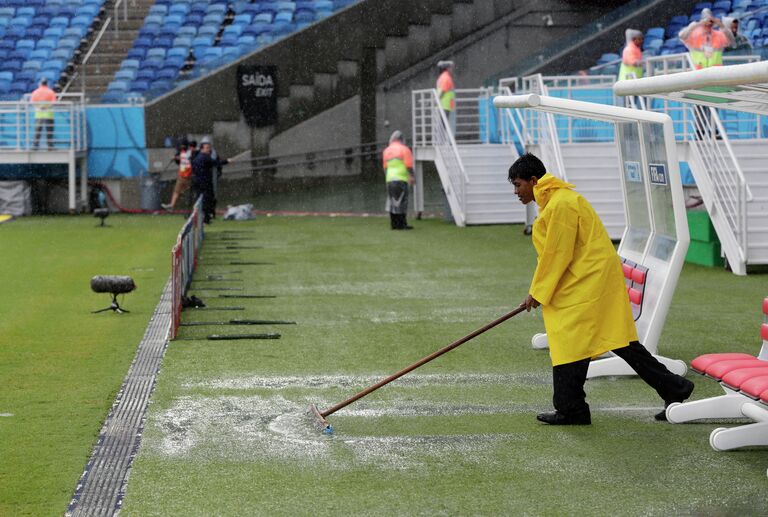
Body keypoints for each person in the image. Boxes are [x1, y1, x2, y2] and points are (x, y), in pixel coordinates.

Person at [508, 153, 694, 425]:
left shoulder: (560, 205)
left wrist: (537, 293)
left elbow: (557, 254)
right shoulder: (556, 202)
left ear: (534, 180)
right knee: (612, 342)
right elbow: (554, 255)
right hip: (586, 282)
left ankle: (572, 409)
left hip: (588, 285)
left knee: (571, 342)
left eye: (518, 184)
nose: (516, 192)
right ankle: (673, 387)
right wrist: (539, 290)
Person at [381, 130, 414, 230]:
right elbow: (408, 165)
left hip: (390, 179)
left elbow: (385, 167)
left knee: (392, 202)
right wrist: (411, 176)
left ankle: (394, 224)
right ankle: (402, 224)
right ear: (401, 139)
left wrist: (388, 177)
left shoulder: (386, 151)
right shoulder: (405, 149)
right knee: (402, 202)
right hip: (401, 178)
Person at [191, 139, 228, 223]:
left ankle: (203, 217)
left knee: (201, 200)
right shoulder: (204, 157)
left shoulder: (198, 157)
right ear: (202, 149)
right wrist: (227, 161)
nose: (209, 149)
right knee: (207, 200)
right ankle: (206, 218)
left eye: (209, 148)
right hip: (204, 182)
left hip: (198, 181)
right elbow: (215, 163)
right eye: (207, 148)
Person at [162, 139, 193, 211]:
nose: (182, 147)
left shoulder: (190, 153)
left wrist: (176, 157)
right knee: (176, 191)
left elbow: (185, 158)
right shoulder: (182, 152)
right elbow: (180, 159)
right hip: (181, 175)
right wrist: (175, 158)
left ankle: (189, 207)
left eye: (183, 145)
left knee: (186, 192)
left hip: (189, 176)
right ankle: (172, 205)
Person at [30, 78, 57, 149]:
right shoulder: (50, 92)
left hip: (39, 114)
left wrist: (40, 107)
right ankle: (50, 146)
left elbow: (32, 102)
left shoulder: (35, 92)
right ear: (47, 84)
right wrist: (46, 107)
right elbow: (53, 102)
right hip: (49, 114)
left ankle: (35, 146)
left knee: (37, 130)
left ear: (40, 84)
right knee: (49, 131)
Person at [436, 60, 456, 133]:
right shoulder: (446, 78)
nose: (452, 70)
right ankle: (444, 142)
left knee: (442, 125)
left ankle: (443, 141)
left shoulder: (442, 77)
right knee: (444, 125)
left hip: (444, 105)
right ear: (447, 68)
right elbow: (443, 91)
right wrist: (436, 100)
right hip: (445, 106)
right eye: (450, 68)